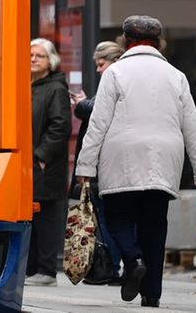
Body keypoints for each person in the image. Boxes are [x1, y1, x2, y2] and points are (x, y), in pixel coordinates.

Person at [75, 15, 196, 308]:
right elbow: (193, 128)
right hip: (165, 157)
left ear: (126, 41)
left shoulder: (115, 73)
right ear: (158, 43)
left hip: (122, 155)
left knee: (118, 216)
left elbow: (98, 124)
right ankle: (152, 294)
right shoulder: (176, 76)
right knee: (155, 224)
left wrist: (85, 168)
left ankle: (133, 258)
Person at [72, 40, 126, 285]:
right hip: (109, 164)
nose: (98, 70)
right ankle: (113, 265)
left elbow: (89, 109)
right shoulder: (113, 82)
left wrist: (81, 103)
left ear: (114, 62)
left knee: (106, 218)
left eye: (101, 64)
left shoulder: (115, 82)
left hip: (105, 165)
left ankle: (110, 266)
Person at [27, 37, 70, 286]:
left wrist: (41, 157)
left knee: (46, 219)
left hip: (45, 166)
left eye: (39, 56)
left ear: (50, 61)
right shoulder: (29, 85)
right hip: (28, 165)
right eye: (31, 55)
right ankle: (32, 269)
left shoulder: (55, 88)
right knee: (30, 218)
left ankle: (46, 271)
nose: (33, 59)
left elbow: (60, 126)